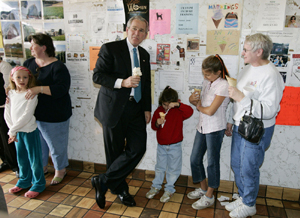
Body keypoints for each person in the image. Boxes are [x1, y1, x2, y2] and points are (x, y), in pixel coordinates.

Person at [91, 15, 151, 208]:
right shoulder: (111, 48)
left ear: (146, 34)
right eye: (134, 28)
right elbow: (98, 76)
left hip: (136, 108)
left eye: (141, 30)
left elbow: (146, 83)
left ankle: (103, 181)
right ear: (127, 29)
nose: (137, 33)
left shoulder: (144, 54)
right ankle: (121, 190)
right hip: (112, 109)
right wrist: (122, 83)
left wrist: (147, 108)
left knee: (138, 148)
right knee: (114, 153)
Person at [225, 33, 284, 218]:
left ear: (259, 51)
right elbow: (237, 97)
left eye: (245, 49)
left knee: (248, 168)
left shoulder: (271, 75)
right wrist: (230, 118)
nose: (242, 53)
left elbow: (269, 110)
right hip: (239, 125)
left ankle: (249, 204)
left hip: (256, 130)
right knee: (237, 164)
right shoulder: (248, 68)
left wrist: (241, 98)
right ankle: (243, 197)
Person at [23, 33, 72, 185]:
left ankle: (60, 170)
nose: (30, 47)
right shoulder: (29, 63)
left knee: (56, 144)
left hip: (55, 114)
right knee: (39, 144)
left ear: (43, 47)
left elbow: (61, 89)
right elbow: (20, 82)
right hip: (34, 114)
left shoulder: (58, 67)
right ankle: (42, 167)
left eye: (34, 45)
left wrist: (39, 89)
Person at [187, 54, 230, 210]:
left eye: (208, 73)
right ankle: (204, 189)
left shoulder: (223, 85)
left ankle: (210, 196)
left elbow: (211, 111)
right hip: (202, 126)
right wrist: (193, 100)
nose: (205, 76)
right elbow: (201, 103)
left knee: (212, 162)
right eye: (204, 73)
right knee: (194, 159)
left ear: (218, 72)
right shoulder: (207, 82)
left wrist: (198, 106)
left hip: (215, 128)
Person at [146, 86, 193, 203]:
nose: (166, 107)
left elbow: (190, 111)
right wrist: (157, 123)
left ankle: (169, 189)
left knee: (173, 169)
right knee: (160, 168)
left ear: (174, 103)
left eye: (168, 105)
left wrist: (178, 105)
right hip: (161, 146)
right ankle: (156, 186)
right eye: (164, 104)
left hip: (175, 146)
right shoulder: (158, 111)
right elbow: (153, 126)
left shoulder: (178, 111)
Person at [4, 66, 45, 198]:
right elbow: (7, 114)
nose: (22, 80)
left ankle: (38, 183)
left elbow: (27, 115)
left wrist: (13, 130)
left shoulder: (31, 94)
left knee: (34, 159)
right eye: (18, 77)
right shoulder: (10, 94)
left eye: (25, 77)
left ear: (29, 78)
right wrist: (12, 131)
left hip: (29, 131)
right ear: (12, 78)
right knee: (21, 159)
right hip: (16, 133)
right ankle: (24, 181)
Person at [0, 59, 18, 177]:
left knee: (6, 138)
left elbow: (7, 88)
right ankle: (5, 161)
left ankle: (15, 166)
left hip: (3, 107)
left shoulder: (4, 66)